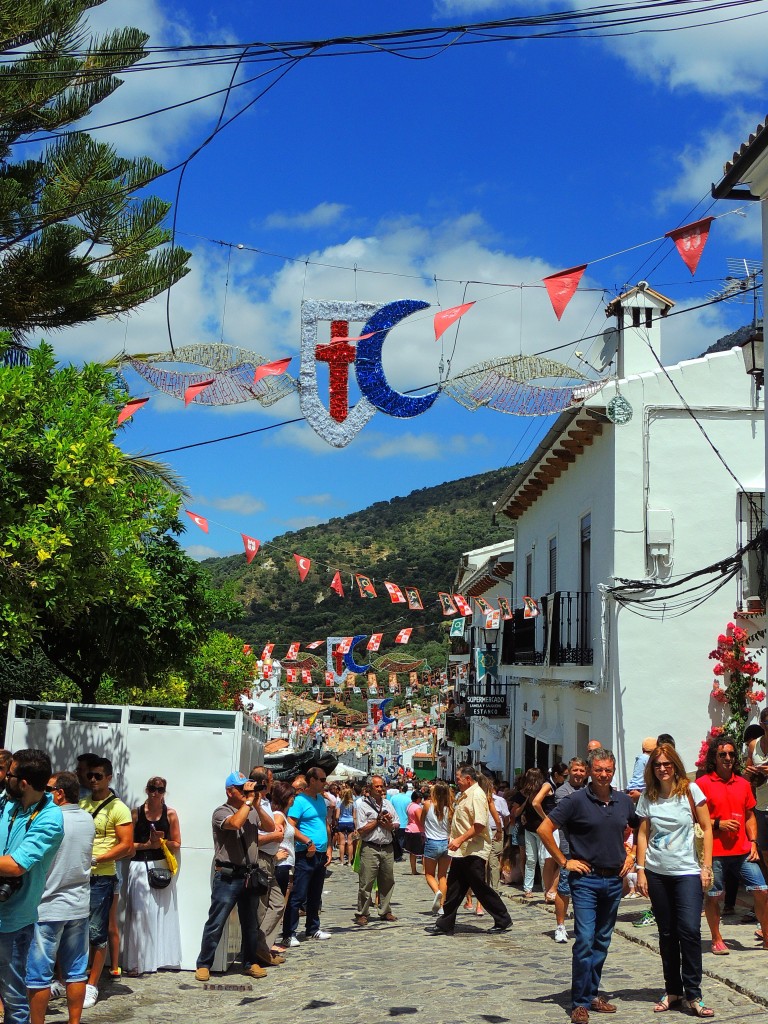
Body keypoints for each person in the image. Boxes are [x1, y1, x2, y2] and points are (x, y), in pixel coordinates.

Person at [539, 746, 638, 1023]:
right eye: (598, 770)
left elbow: (641, 827)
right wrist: (564, 861)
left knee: (602, 941)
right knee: (584, 939)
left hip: (614, 880)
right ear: (590, 772)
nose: (603, 775)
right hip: (586, 880)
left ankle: (592, 993)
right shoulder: (576, 801)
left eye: (608, 770)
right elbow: (544, 829)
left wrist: (632, 856)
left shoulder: (623, 801)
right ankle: (579, 1001)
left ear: (614, 771)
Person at [634, 744, 714, 1017]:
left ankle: (694, 993)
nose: (663, 768)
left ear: (676, 765)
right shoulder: (648, 796)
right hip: (657, 873)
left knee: (690, 931)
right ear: (652, 769)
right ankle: (673, 990)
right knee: (667, 934)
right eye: (658, 765)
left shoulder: (690, 791)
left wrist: (706, 866)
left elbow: (707, 826)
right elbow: (643, 834)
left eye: (667, 764)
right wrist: (641, 869)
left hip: (687, 872)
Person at [0, 749, 64, 1024]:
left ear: (23, 782)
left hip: (13, 922)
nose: (5, 778)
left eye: (9, 774)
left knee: (14, 1000)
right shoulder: (6, 802)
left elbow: (16, 866)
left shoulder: (50, 819)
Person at [26, 771, 94, 1024]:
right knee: (76, 972)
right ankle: (74, 1022)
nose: (44, 793)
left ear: (60, 793)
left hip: (48, 906)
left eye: (48, 788)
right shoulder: (87, 819)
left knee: (38, 976)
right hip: (78, 905)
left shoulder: (50, 819)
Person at [195, 771, 273, 981]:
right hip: (228, 876)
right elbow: (236, 824)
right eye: (240, 789)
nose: (245, 793)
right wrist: (248, 802)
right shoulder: (221, 811)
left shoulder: (252, 809)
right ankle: (203, 964)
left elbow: (270, 827)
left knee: (250, 924)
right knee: (216, 921)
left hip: (249, 875)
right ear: (230, 791)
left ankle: (250, 962)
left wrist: (255, 804)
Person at [697, 736, 768, 955]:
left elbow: (750, 816)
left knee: (762, 890)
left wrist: (754, 842)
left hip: (742, 850)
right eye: (722, 754)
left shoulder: (743, 783)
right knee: (713, 897)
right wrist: (718, 823)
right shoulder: (702, 784)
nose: (728, 758)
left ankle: (767, 935)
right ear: (714, 758)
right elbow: (696, 818)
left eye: (731, 754)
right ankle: (717, 939)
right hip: (715, 852)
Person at [425, 765, 513, 937]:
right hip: (462, 851)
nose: (456, 781)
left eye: (458, 778)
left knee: (479, 886)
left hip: (473, 849)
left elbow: (479, 825)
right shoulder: (464, 795)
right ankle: (445, 924)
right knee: (454, 888)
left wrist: (459, 840)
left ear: (467, 779)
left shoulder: (477, 795)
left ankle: (503, 918)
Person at [78, 757, 133, 1008]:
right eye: (90, 775)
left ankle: (92, 984)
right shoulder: (82, 802)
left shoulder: (118, 808)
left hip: (102, 876)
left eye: (98, 776)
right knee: (72, 929)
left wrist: (98, 857)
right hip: (78, 875)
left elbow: (126, 845)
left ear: (109, 777)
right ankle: (72, 978)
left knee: (97, 932)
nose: (93, 780)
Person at [123, 776, 182, 976]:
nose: (155, 793)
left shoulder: (171, 814)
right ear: (146, 790)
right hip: (139, 865)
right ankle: (138, 961)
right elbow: (128, 847)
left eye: (160, 789)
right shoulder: (136, 814)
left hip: (160, 866)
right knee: (140, 914)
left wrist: (162, 842)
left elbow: (177, 843)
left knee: (162, 913)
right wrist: (148, 845)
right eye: (152, 788)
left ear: (164, 791)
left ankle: (159, 959)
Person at [285, 766, 333, 944]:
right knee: (298, 894)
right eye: (321, 780)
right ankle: (289, 933)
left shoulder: (320, 799)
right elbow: (290, 825)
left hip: (320, 852)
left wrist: (328, 847)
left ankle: (312, 928)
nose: (324, 783)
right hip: (305, 853)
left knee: (315, 893)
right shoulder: (299, 801)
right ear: (311, 780)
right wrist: (307, 841)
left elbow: (325, 823)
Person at [249, 768, 286, 968]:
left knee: (278, 904)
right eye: (270, 781)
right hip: (261, 859)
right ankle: (258, 949)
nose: (272, 785)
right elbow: (254, 837)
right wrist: (275, 836)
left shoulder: (264, 803)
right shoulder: (254, 804)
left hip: (270, 858)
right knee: (262, 908)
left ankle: (262, 946)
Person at [353, 775, 398, 924]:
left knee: (387, 881)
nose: (380, 789)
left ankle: (385, 910)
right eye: (377, 786)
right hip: (370, 847)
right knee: (366, 882)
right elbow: (361, 829)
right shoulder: (362, 806)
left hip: (387, 847)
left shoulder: (388, 804)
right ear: (369, 789)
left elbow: (397, 823)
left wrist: (390, 824)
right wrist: (377, 821)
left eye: (381, 786)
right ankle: (362, 913)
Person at [552, 757, 588, 943]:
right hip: (569, 847)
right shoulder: (562, 792)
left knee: (585, 889)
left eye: (582, 770)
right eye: (575, 770)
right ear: (569, 771)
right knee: (564, 888)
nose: (579, 774)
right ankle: (560, 926)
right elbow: (570, 817)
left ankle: (583, 926)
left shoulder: (590, 790)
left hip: (589, 848)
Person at [531, 763, 568, 902]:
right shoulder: (548, 785)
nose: (565, 778)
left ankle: (549, 891)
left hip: (553, 826)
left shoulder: (554, 785)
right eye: (564, 775)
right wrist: (546, 818)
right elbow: (536, 802)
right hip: (552, 827)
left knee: (550, 860)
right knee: (554, 859)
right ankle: (550, 890)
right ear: (557, 775)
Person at [270, 782, 295, 954]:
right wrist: (275, 855)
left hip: (286, 864)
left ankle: (271, 939)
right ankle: (270, 941)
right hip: (281, 865)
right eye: (292, 796)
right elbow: (271, 835)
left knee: (280, 903)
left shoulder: (282, 815)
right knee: (278, 904)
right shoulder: (278, 815)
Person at [421, 780, 453, 913]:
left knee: (429, 874)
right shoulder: (450, 808)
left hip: (432, 842)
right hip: (446, 843)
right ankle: (442, 906)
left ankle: (437, 892)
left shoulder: (428, 805)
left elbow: (421, 821)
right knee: (443, 875)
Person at [745, 707, 768, 875]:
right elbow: (746, 772)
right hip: (761, 806)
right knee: (765, 851)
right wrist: (751, 772)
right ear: (762, 724)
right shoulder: (754, 744)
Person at [402, 789, 425, 876]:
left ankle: (413, 870)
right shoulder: (417, 807)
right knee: (423, 852)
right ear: (418, 798)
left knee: (412, 852)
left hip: (409, 829)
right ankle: (424, 869)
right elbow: (420, 820)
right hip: (417, 830)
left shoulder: (409, 806)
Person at [389, 783, 412, 864]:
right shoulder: (409, 799)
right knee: (401, 839)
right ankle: (399, 855)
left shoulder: (393, 798)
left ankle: (395, 854)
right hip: (405, 822)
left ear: (400, 789)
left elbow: (390, 808)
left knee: (395, 839)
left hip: (394, 822)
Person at [334, 787, 356, 865]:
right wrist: (355, 826)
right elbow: (354, 816)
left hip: (342, 822)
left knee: (342, 843)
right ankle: (349, 861)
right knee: (350, 843)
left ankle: (342, 861)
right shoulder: (353, 803)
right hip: (350, 822)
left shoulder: (339, 803)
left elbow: (337, 816)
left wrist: (337, 821)